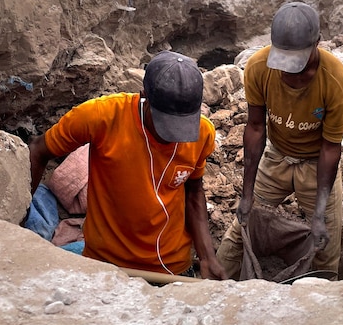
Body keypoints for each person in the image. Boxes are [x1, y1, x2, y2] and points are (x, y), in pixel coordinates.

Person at [27, 50, 226, 280]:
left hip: (171, 268)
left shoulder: (203, 133)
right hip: (107, 265)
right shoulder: (101, 117)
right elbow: (38, 150)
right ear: (145, 97)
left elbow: (193, 192)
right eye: (166, 125)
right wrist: (19, 222)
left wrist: (207, 257)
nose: (175, 137)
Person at [215, 1, 343, 280]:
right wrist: (246, 195)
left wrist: (318, 215)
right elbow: (255, 128)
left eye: (298, 66)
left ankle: (323, 301)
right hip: (276, 156)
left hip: (316, 162)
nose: (290, 75)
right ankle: (211, 286)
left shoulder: (337, 83)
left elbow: (330, 148)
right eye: (284, 64)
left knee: (324, 243)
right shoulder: (258, 67)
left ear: (317, 43)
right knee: (241, 229)